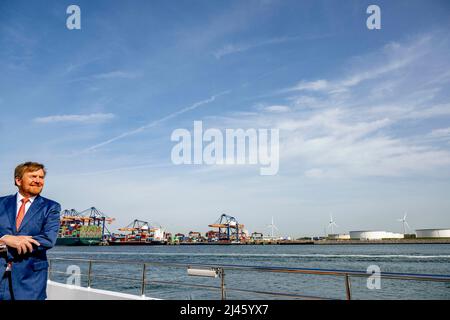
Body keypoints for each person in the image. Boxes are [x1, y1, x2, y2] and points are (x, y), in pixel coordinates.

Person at [0, 162, 61, 300]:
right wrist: (4, 239)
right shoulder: (1, 203)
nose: (38, 180)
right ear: (18, 180)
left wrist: (5, 246)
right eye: (33, 176)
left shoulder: (51, 207)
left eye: (41, 177)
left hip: (30, 281)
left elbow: (48, 239)